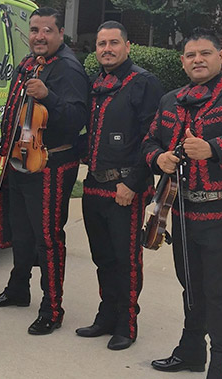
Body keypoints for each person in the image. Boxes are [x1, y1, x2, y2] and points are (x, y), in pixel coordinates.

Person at [0, 7, 88, 336]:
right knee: (21, 230)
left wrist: (50, 97)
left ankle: (52, 308)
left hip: (51, 163)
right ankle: (18, 289)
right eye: (34, 30)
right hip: (20, 158)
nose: (39, 36)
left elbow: (77, 120)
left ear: (60, 34)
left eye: (47, 31)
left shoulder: (69, 69)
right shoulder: (29, 63)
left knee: (48, 237)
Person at [142, 28, 222, 378]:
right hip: (182, 210)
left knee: (219, 292)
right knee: (189, 283)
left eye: (205, 53)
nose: (198, 60)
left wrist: (215, 149)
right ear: (182, 61)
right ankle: (191, 351)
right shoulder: (170, 100)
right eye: (191, 55)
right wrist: (157, 158)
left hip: (221, 212)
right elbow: (149, 141)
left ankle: (220, 363)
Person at [76, 21, 163, 350]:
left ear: (128, 47)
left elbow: (151, 137)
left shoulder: (143, 83)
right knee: (103, 258)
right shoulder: (96, 83)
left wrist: (133, 181)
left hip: (125, 189)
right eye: (101, 44)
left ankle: (127, 323)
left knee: (126, 259)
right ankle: (106, 315)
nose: (107, 49)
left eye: (114, 43)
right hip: (94, 185)